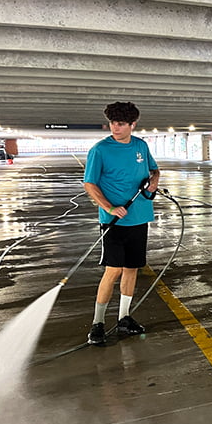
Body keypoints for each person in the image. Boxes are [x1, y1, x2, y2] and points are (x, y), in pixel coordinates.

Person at [83, 102, 160, 345]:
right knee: (113, 270)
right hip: (113, 222)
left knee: (131, 268)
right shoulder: (100, 150)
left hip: (139, 218)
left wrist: (154, 183)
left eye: (121, 124)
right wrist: (109, 207)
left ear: (132, 125)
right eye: (113, 123)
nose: (115, 128)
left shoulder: (140, 145)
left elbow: (154, 170)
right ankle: (97, 323)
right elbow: (90, 184)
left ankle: (124, 318)